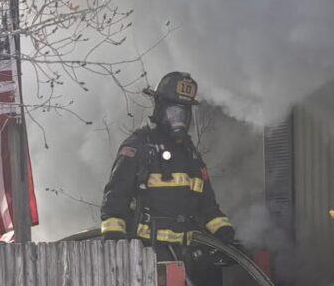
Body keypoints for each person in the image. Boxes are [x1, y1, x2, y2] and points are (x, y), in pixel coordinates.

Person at [100, 71, 237, 251]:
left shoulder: (191, 155)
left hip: (187, 254)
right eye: (173, 113)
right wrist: (115, 239)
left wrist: (222, 229)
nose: (179, 121)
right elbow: (115, 198)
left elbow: (207, 205)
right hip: (146, 254)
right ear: (160, 110)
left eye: (184, 114)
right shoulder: (139, 147)